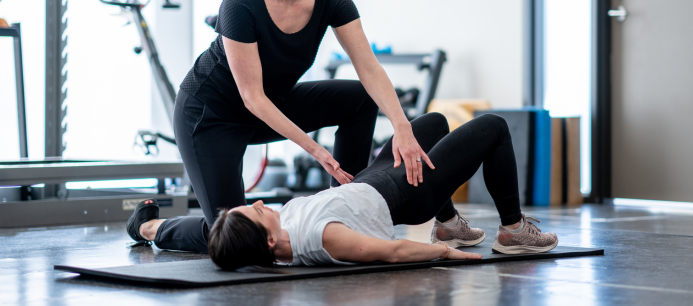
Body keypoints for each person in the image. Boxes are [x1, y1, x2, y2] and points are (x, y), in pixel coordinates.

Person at [125, 0, 484, 253]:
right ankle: (149, 227)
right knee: (234, 232)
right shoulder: (241, 1)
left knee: (360, 98)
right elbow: (252, 98)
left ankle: (342, 209)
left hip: (272, 104)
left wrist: (402, 125)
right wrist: (316, 150)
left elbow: (369, 68)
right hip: (211, 116)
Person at [134, 113, 559, 268]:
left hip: (371, 179)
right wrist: (446, 256)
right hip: (407, 195)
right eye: (256, 211)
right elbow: (391, 252)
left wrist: (152, 230)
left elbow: (222, 241)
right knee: (493, 128)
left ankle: (448, 224)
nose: (260, 202)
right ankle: (513, 231)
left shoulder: (265, 240)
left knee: (429, 125)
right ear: (268, 238)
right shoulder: (321, 237)